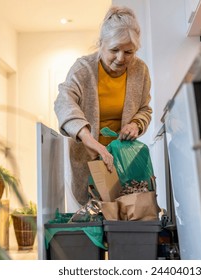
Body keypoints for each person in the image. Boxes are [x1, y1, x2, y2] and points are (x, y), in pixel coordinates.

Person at [54, 6, 152, 205]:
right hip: (87, 160)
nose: (120, 58)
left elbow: (145, 109)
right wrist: (88, 139)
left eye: (128, 52)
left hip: (123, 163)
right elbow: (63, 101)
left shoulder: (140, 70)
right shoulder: (84, 68)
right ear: (101, 44)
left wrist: (135, 124)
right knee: (90, 219)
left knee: (124, 216)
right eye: (114, 50)